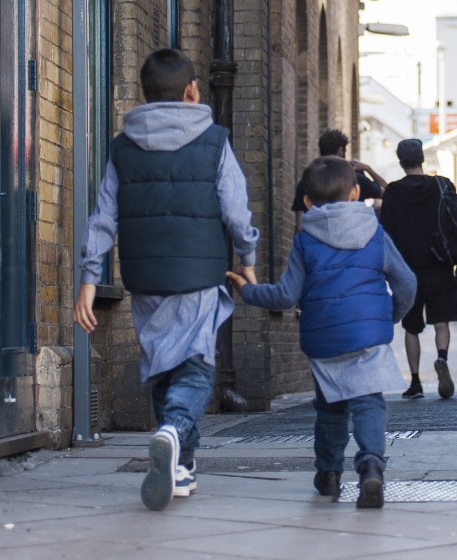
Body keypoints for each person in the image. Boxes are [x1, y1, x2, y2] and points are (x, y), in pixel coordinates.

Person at [73, 48, 259, 511]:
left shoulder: (122, 146)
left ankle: (180, 467)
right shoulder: (214, 140)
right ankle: (174, 430)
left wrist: (90, 280)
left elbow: (103, 217)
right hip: (198, 273)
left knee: (162, 363)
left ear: (145, 94)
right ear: (192, 91)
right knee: (195, 364)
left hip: (145, 275)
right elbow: (236, 210)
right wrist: (249, 258)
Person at [228, 156, 415, 508]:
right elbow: (406, 282)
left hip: (324, 338)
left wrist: (248, 290)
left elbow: (286, 295)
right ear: (356, 192)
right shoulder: (375, 231)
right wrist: (390, 315)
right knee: (369, 403)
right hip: (368, 336)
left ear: (309, 202)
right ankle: (371, 464)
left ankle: (328, 473)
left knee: (330, 408)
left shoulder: (304, 240)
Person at [379, 138, 457, 400]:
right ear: (422, 159)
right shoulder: (441, 185)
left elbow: (387, 232)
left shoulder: (393, 192)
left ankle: (415, 381)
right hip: (439, 265)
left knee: (412, 327)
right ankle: (441, 358)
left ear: (401, 161)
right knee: (441, 321)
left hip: (408, 269)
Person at [291, 129, 387, 231]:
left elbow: (299, 226)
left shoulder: (306, 182)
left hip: (314, 241)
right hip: (350, 238)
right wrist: (368, 168)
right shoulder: (355, 178)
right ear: (341, 150)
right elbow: (387, 191)